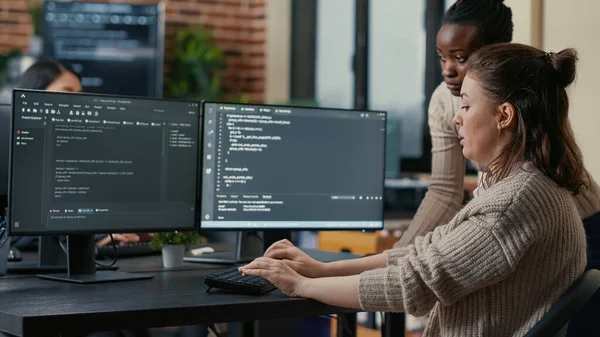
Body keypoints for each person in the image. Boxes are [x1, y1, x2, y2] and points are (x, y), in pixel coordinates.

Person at [239, 43, 588, 336]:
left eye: (466, 105)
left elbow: (415, 282)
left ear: (505, 115)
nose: (457, 117)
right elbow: (427, 254)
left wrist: (302, 286)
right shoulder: (520, 186)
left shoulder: (513, 202)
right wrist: (322, 269)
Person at [12, 60, 151, 249]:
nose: (76, 102)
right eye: (67, 93)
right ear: (34, 96)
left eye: (79, 95)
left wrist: (129, 230)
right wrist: (94, 241)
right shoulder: (19, 155)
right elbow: (14, 235)